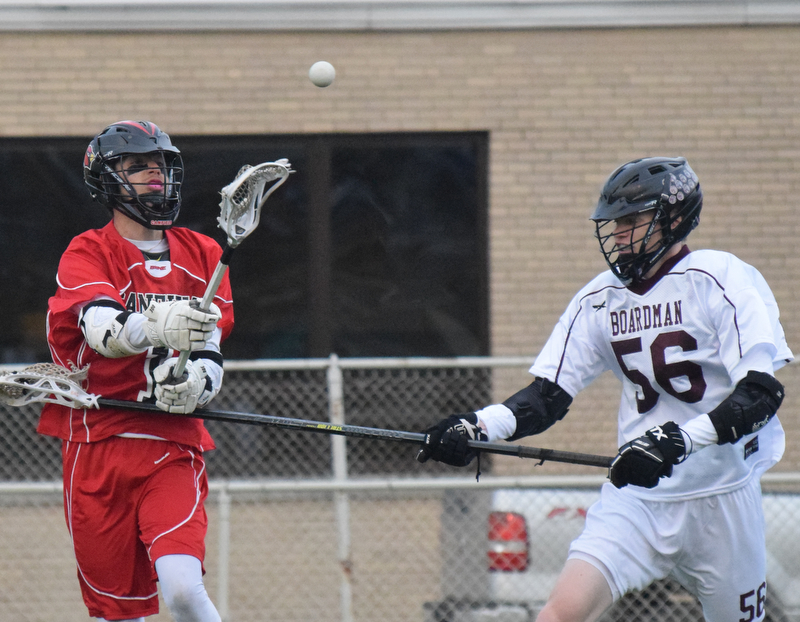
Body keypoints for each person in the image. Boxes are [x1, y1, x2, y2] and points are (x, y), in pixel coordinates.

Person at [418, 156, 792, 622]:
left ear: (674, 218)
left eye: (632, 220)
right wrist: (474, 428)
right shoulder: (600, 298)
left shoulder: (721, 278)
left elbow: (760, 395)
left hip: (723, 498)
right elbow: (545, 399)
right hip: (639, 495)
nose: (617, 234)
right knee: (559, 615)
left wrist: (678, 439)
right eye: (615, 222)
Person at [37, 120, 234, 622]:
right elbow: (104, 332)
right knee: (120, 615)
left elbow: (211, 353)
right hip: (97, 445)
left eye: (161, 165)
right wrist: (161, 322)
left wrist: (197, 385)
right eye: (138, 165)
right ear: (107, 179)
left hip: (170, 444)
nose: (154, 176)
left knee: (185, 591)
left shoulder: (205, 254)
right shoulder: (88, 251)